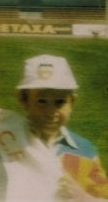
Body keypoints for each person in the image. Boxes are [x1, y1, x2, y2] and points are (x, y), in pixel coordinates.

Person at [16, 54, 108, 200]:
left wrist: (83, 197)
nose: (50, 113)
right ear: (23, 100)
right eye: (41, 101)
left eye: (60, 102)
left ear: (72, 102)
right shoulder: (7, 140)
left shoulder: (85, 151)